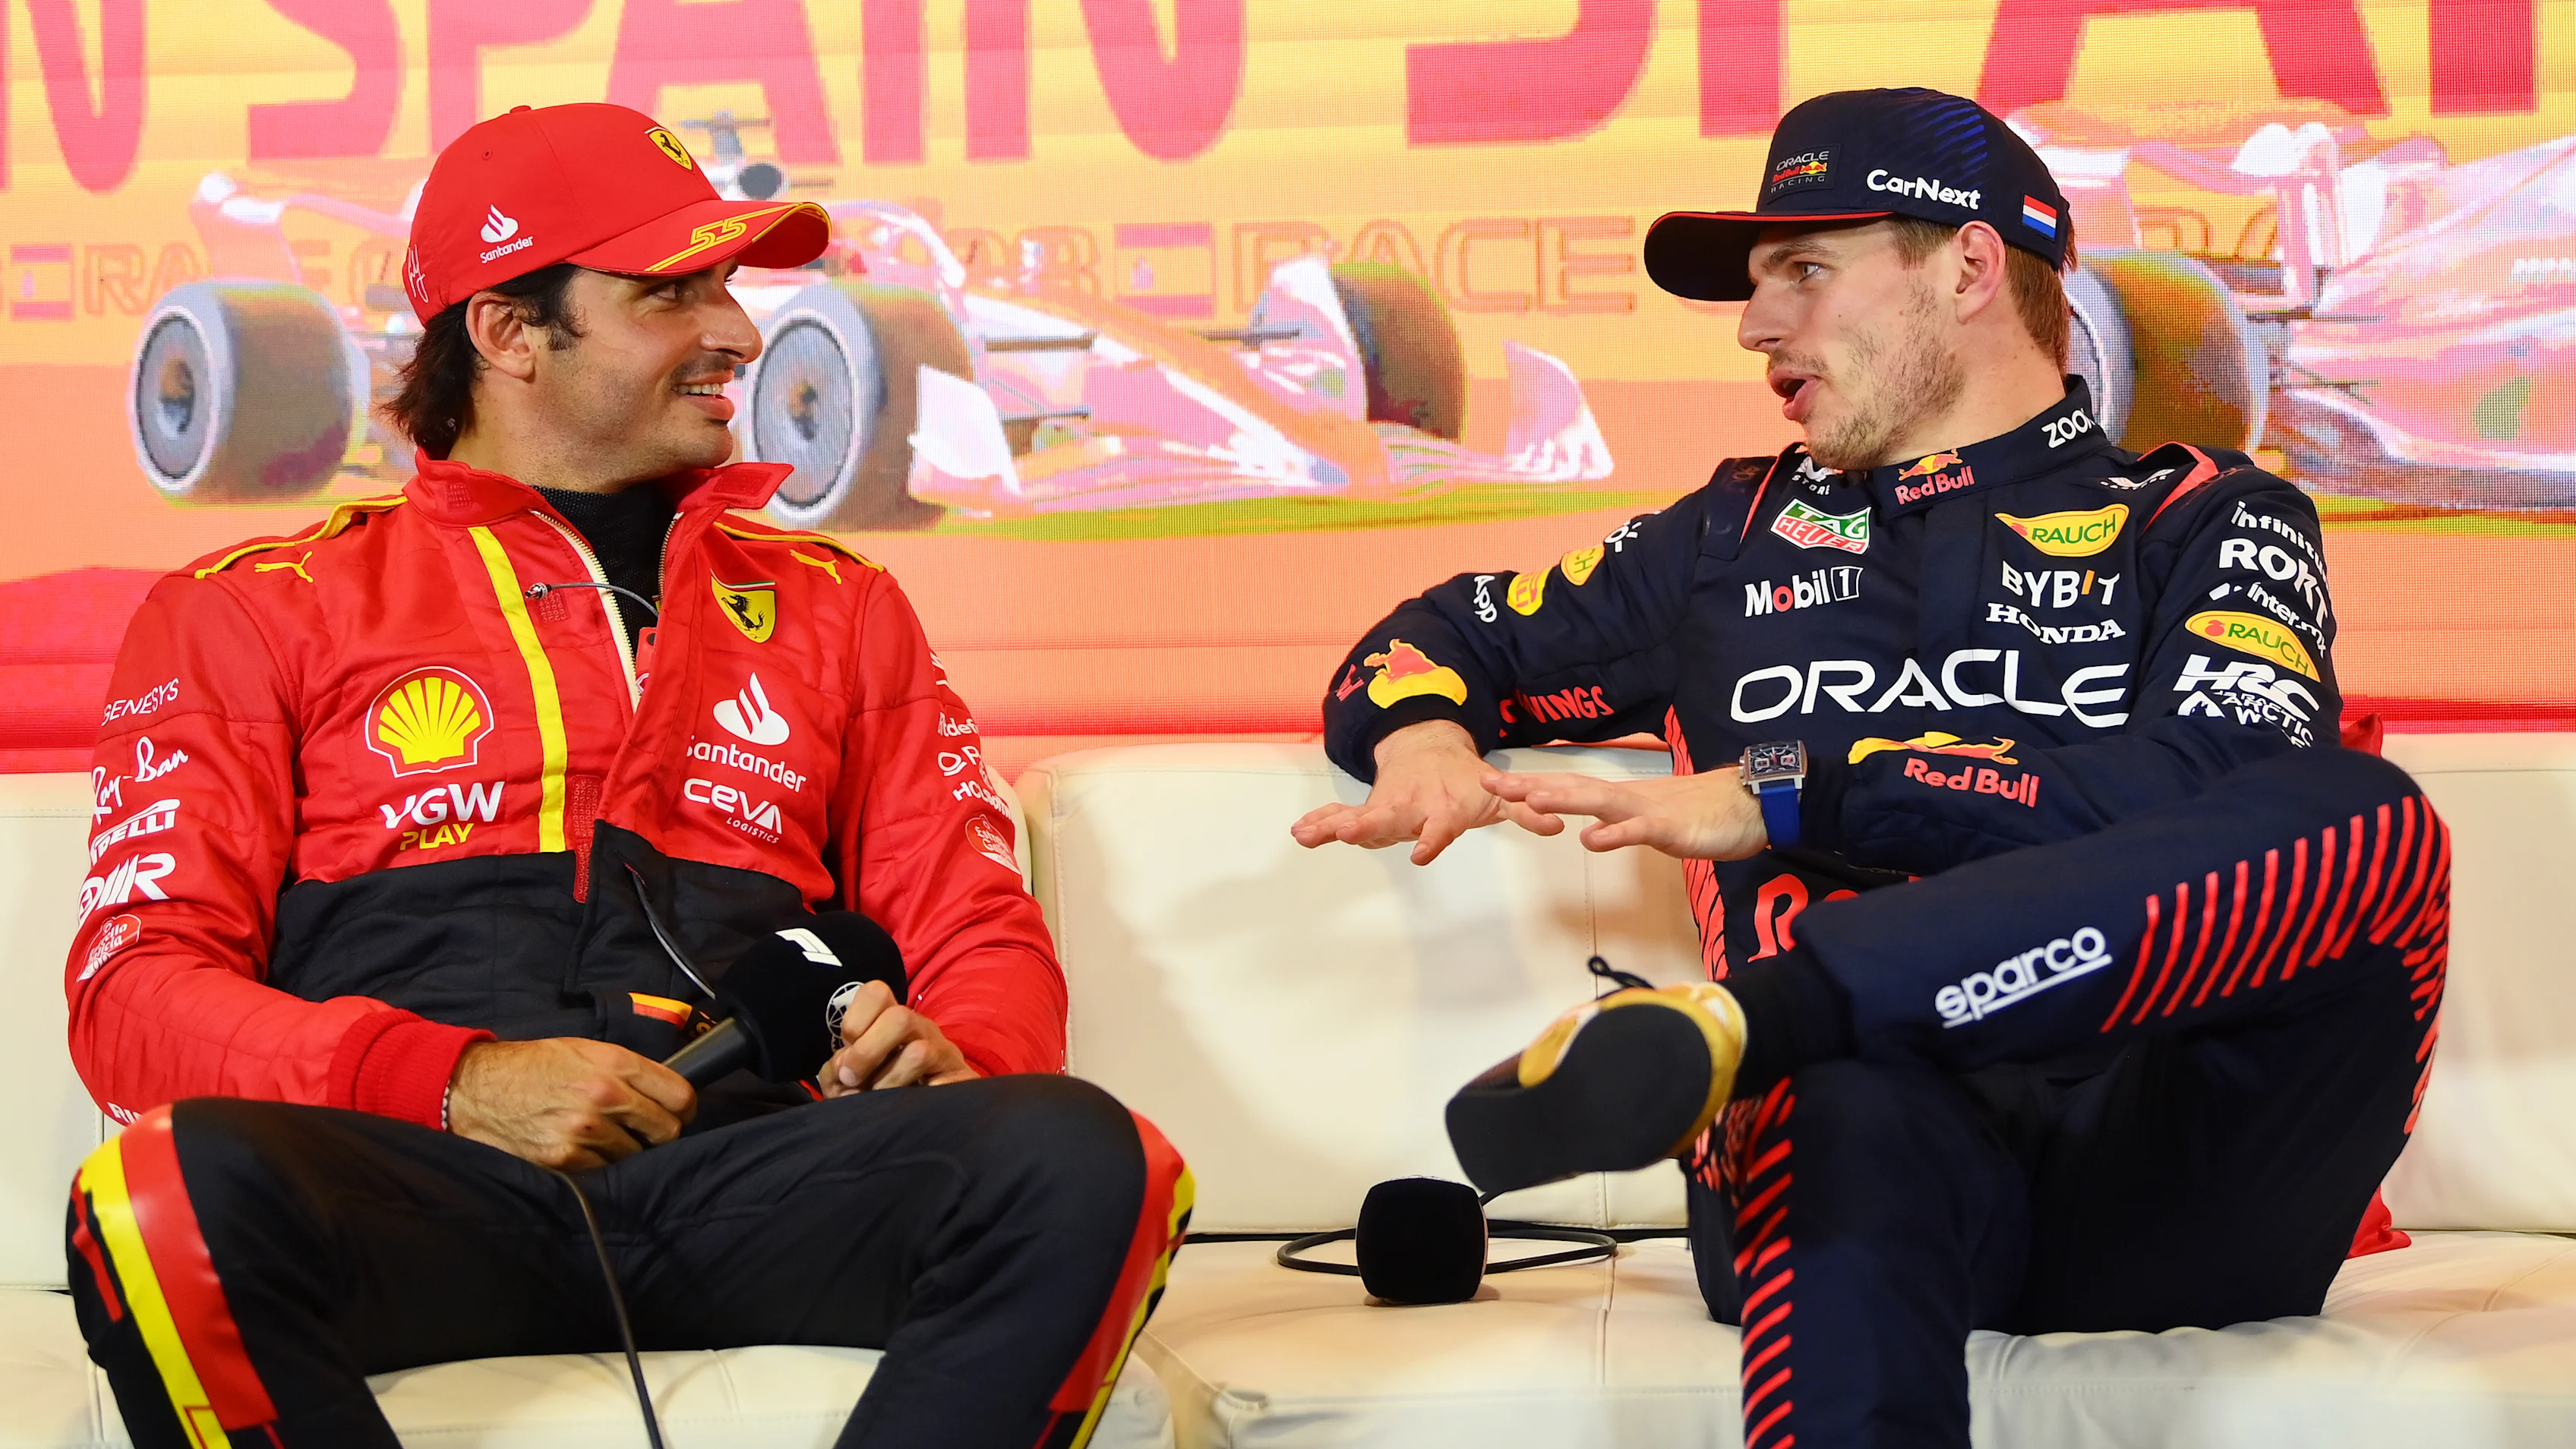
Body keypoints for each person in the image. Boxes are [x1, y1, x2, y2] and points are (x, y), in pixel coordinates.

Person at [1293, 87, 2447, 1449]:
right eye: (1756, 284)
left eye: (1804, 271)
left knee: (2369, 820)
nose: (1753, 326)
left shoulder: (2206, 516)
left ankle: (1752, 1025)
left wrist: (1791, 788)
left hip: (2184, 1155)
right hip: (1864, 1136)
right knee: (1837, 1097)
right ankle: (1773, 1041)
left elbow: (2216, 792)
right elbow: (1428, 641)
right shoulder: (1725, 540)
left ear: (1965, 265)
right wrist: (1425, 734)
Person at [65, 102, 1185, 1449]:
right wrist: (458, 1078)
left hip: (762, 1177)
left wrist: (967, 1052)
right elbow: (133, 998)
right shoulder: (253, 608)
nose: (740, 333)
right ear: (507, 330)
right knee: (160, 1192)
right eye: (672, 292)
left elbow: (978, 927)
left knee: (1090, 1157)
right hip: (425, 1190)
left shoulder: (842, 607)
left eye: (725, 285)